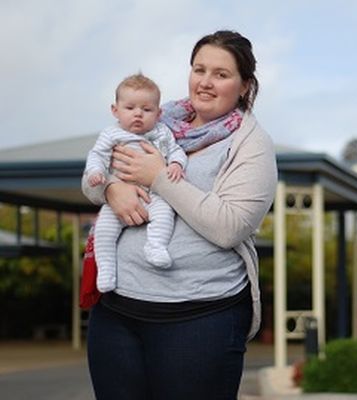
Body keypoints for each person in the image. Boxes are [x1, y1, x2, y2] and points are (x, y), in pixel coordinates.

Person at [81, 30, 277, 399]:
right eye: (199, 69)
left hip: (199, 318)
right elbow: (93, 177)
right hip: (117, 314)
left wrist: (158, 177)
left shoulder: (251, 145)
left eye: (221, 74)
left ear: (245, 86)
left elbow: (230, 227)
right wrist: (110, 189)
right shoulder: (155, 120)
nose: (205, 82)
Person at [84, 73, 187, 293]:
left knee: (165, 213)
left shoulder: (162, 133)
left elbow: (176, 150)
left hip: (153, 195)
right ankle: (106, 270)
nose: (138, 114)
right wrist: (96, 172)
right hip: (119, 198)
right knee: (104, 231)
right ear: (115, 110)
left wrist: (177, 163)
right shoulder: (111, 134)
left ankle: (155, 246)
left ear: (158, 113)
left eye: (147, 109)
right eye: (130, 108)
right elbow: (97, 155)